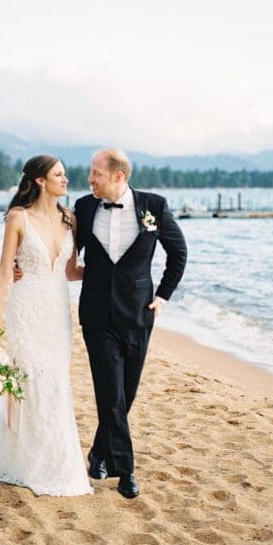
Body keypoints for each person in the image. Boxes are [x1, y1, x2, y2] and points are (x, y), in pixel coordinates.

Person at [0, 154, 93, 497]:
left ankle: (53, 460)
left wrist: (115, 272)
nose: (65, 180)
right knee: (28, 380)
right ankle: (24, 462)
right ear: (40, 180)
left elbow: (71, 272)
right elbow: (3, 269)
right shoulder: (18, 218)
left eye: (65, 174)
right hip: (26, 310)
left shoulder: (70, 218)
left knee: (54, 381)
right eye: (59, 175)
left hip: (57, 312)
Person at [70, 148, 187, 498]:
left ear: (118, 176)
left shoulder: (153, 206)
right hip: (97, 314)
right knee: (110, 390)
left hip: (138, 313)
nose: (90, 179)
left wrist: (163, 295)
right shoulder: (85, 207)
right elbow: (65, 251)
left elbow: (178, 252)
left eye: (96, 173)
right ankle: (126, 471)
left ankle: (98, 452)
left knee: (125, 392)